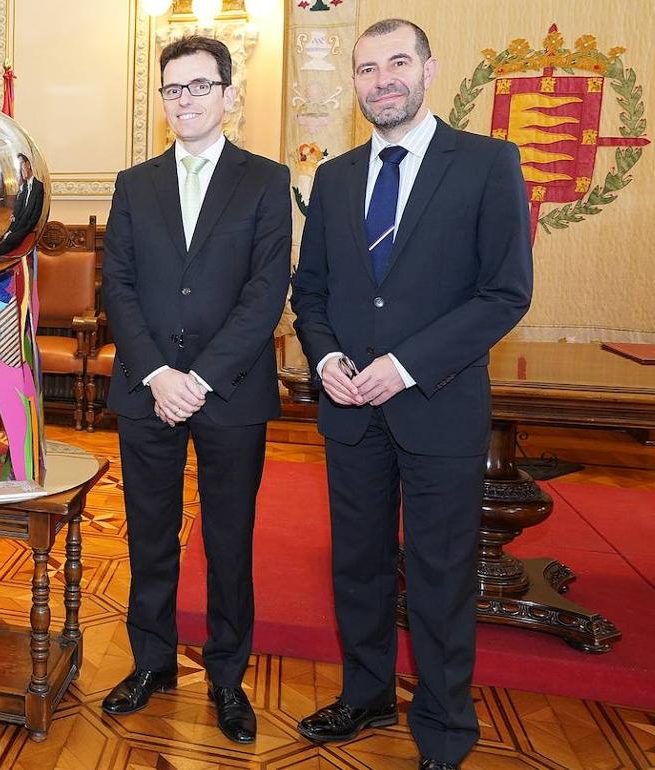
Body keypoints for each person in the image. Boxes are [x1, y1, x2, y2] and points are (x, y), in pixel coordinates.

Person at [290, 19, 533, 770]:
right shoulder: (333, 178)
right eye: (367, 68)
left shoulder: (489, 163)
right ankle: (364, 695)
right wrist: (325, 356)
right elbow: (313, 292)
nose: (382, 79)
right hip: (350, 411)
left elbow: (504, 294)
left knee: (439, 573)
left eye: (398, 63)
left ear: (429, 70)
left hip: (439, 405)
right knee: (357, 567)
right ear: (355, 84)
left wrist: (405, 364)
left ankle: (444, 726)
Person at [101, 35, 291, 744]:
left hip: (231, 393)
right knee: (150, 537)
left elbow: (266, 292)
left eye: (200, 87)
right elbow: (116, 286)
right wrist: (156, 373)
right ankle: (151, 663)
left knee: (228, 538)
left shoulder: (265, 181)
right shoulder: (133, 182)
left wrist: (201, 378)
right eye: (173, 89)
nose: (186, 100)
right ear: (162, 100)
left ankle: (225, 676)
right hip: (146, 389)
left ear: (229, 94)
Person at [0, 153, 45, 255]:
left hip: (27, 227)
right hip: (19, 223)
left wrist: (21, 232)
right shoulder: (24, 187)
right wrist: (14, 216)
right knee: (2, 242)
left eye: (21, 164)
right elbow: (19, 206)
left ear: (28, 165)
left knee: (9, 240)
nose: (20, 170)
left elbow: (35, 216)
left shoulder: (38, 186)